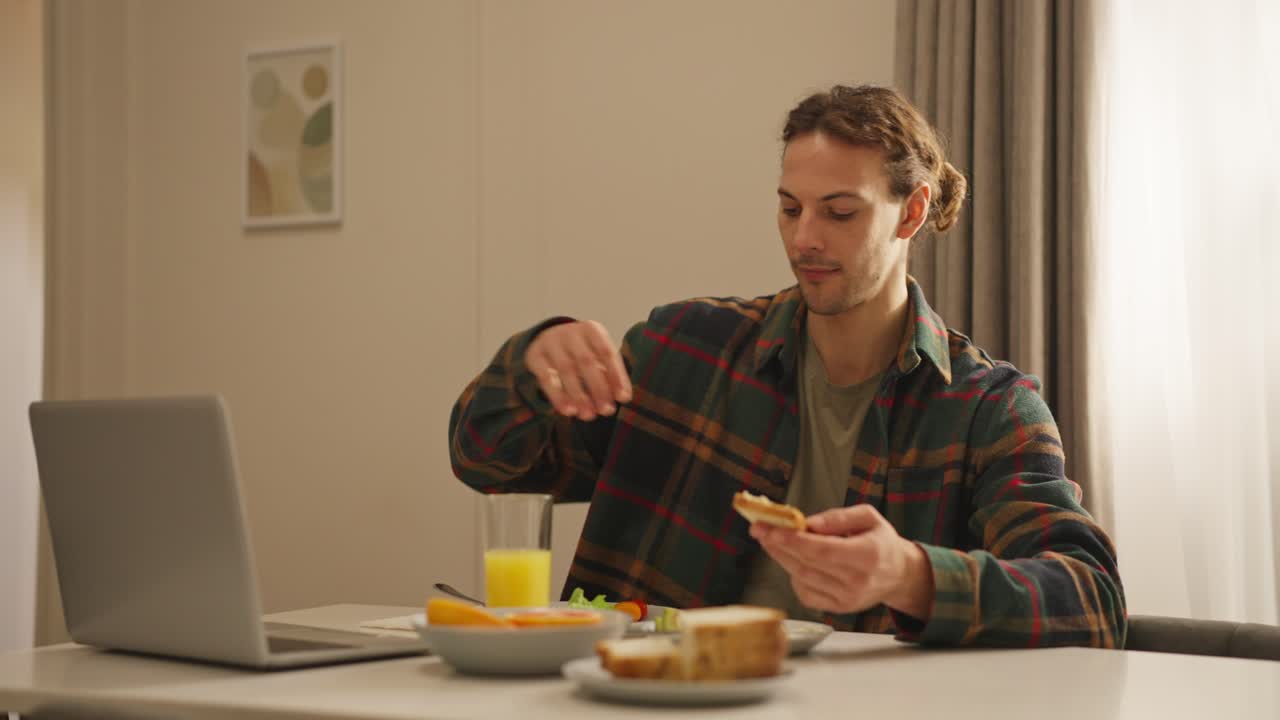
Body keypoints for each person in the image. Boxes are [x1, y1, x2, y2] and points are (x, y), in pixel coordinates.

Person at [448, 84, 1125, 648]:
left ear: (911, 212)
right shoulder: (681, 350)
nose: (805, 239)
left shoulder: (987, 408)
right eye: (790, 208)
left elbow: (1093, 603)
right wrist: (531, 367)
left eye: (839, 212)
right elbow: (486, 461)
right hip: (642, 701)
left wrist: (910, 575)